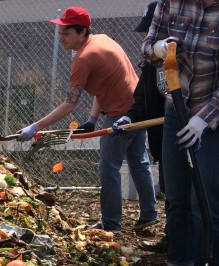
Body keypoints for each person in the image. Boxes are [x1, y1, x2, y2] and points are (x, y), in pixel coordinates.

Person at [17, 6, 159, 233]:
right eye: (60, 32)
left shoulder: (83, 58)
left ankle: (111, 225)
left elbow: (69, 104)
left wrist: (35, 126)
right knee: (139, 162)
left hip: (120, 116)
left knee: (108, 169)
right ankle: (149, 215)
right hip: (137, 109)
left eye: (66, 33)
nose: (61, 37)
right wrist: (92, 119)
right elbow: (104, 86)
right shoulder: (102, 40)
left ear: (82, 32)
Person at [142, 0, 219, 266]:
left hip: (211, 118)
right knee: (175, 196)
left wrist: (204, 120)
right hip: (176, 108)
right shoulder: (170, 2)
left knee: (206, 201)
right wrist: (158, 48)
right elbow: (148, 47)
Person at [113, 1, 167, 253]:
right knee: (170, 189)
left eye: (153, 32)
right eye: (148, 32)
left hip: (198, 136)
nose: (148, 37)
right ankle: (173, 239)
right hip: (166, 140)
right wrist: (129, 118)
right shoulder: (151, 67)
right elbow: (143, 101)